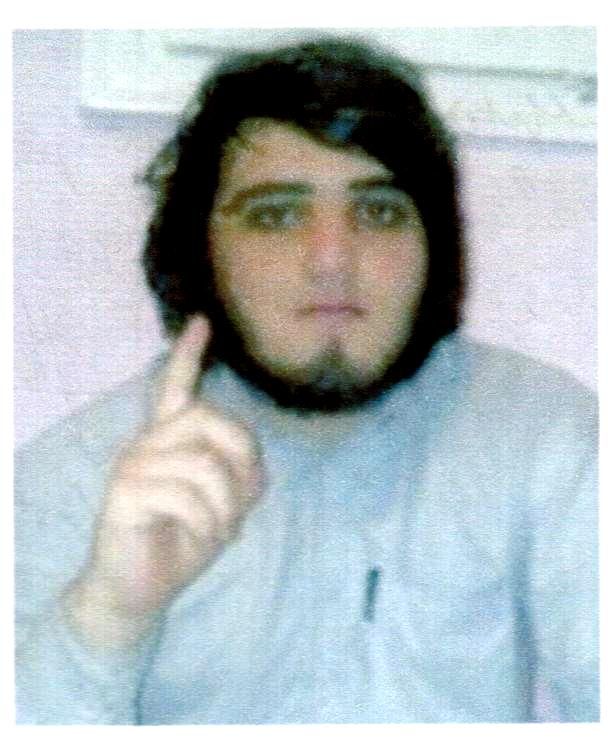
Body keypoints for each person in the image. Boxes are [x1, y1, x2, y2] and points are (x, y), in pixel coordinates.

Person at [15, 37, 598, 724]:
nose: (331, 259)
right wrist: (110, 613)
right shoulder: (79, 476)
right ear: (199, 250)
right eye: (275, 214)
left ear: (434, 247)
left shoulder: (544, 436)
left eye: (378, 211)